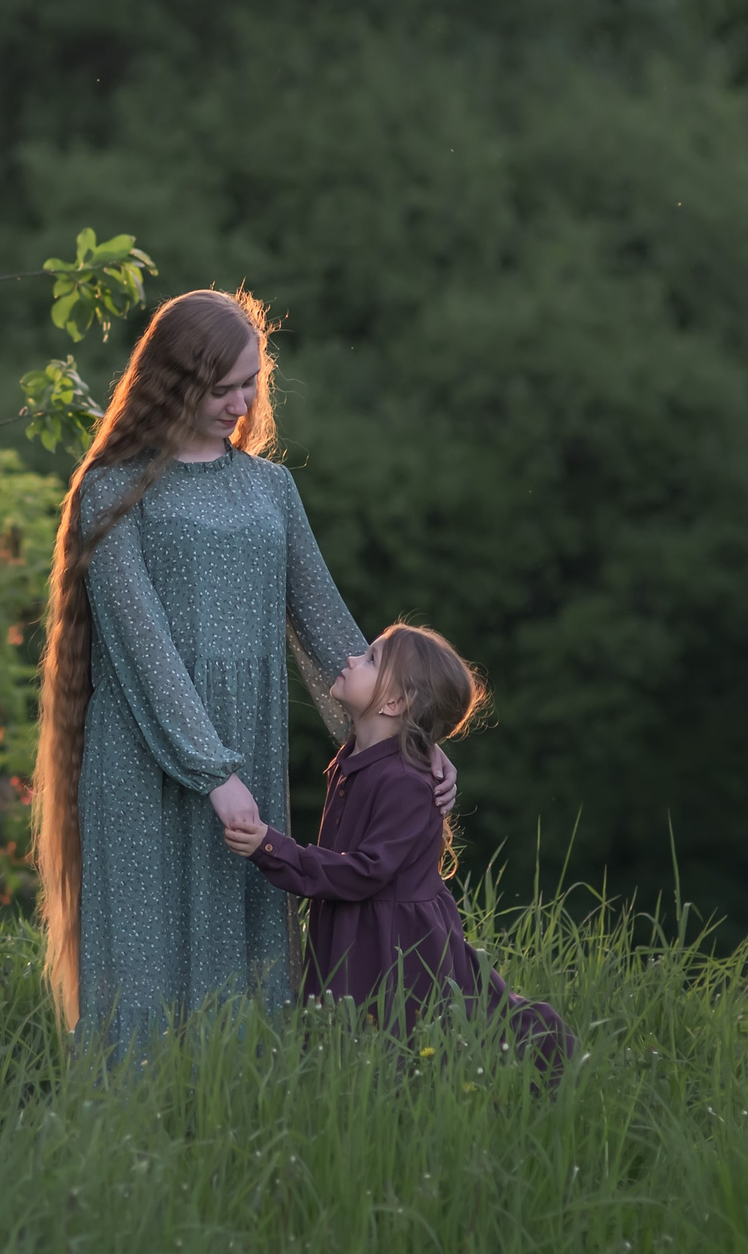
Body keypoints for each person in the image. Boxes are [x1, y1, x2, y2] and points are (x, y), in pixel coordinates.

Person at [33, 288, 455, 1047]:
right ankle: (128, 1138)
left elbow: (326, 625)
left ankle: (236, 1122)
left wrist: (413, 740)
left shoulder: (271, 488)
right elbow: (142, 648)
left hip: (246, 751)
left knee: (243, 965)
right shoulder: (114, 490)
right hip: (143, 755)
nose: (239, 401)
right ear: (171, 380)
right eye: (221, 386)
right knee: (143, 961)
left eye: (250, 382)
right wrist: (212, 773)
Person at [222, 622, 573, 1074]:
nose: (350, 659)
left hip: (397, 944)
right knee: (353, 1049)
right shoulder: (354, 760)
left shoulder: (405, 782)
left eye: (369, 659)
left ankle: (544, 1060)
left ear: (394, 703)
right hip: (359, 927)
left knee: (406, 1050)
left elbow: (365, 872)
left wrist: (272, 848)